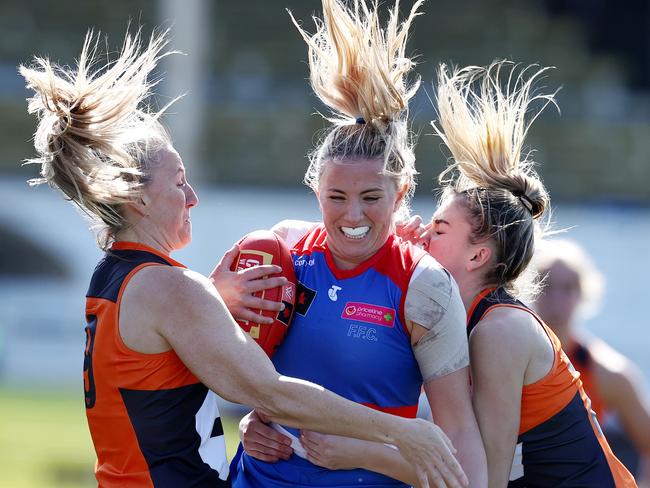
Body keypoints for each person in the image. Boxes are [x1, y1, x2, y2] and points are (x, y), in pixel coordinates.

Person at [19, 28, 469, 488]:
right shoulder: (170, 288)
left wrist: (213, 299)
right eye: (178, 182)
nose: (192, 196)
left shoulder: (116, 276)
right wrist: (402, 432)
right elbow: (270, 393)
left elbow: (167, 358)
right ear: (139, 200)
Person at [295, 61, 638, 487]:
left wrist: (362, 453)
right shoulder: (463, 317)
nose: (420, 234)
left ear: (476, 256)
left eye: (438, 229)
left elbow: (483, 480)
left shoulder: (499, 332)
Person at [233, 1, 487, 487]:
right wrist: (251, 423)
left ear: (402, 193)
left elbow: (456, 432)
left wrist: (368, 452)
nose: (353, 216)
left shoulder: (424, 286)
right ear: (316, 192)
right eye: (336, 197)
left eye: (371, 197)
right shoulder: (282, 249)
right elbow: (243, 376)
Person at [534, 238, 650, 487]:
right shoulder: (504, 356)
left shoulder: (609, 372)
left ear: (583, 294)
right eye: (546, 286)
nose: (556, 299)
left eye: (567, 288)